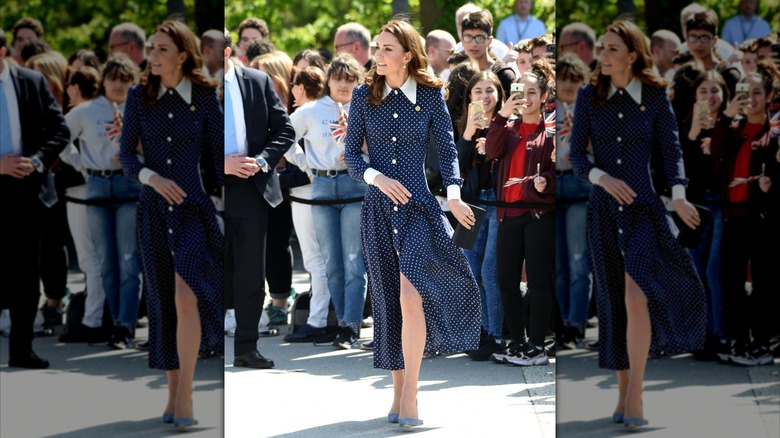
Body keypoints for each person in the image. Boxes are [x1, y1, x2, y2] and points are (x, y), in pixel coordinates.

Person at [568, 20, 706, 429]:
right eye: (602, 48)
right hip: (604, 210)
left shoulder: (656, 95)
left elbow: (672, 151)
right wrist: (602, 178)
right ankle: (623, 390)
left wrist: (679, 195)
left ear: (633, 55)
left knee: (635, 291)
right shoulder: (589, 97)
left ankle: (637, 395)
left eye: (612, 49)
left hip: (645, 208)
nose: (603, 55)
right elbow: (577, 158)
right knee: (612, 301)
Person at [343, 18, 480, 428]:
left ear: (407, 54)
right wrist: (376, 177)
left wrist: (454, 195)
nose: (378, 55)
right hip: (379, 210)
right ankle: (398, 387)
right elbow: (352, 157)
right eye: (377, 48)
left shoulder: (431, 95)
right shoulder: (363, 95)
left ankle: (413, 393)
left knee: (409, 295)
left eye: (387, 48)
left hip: (420, 208)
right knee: (387, 302)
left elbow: (449, 152)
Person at [118, 20, 224, 428]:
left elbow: (216, 159)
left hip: (194, 209)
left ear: (183, 55)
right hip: (153, 210)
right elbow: (128, 157)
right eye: (151, 48)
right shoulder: (137, 96)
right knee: (163, 301)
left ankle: (187, 396)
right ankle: (172, 391)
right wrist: (152, 178)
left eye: (162, 49)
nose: (153, 55)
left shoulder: (204, 96)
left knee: (185, 292)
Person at [284, 54, 367, 349]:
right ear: (328, 80)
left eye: (350, 78)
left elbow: (381, 148)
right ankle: (342, 322)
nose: (343, 84)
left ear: (358, 81)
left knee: (354, 261)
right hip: (320, 186)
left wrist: (361, 157)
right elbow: (283, 136)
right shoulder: (312, 111)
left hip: (354, 185)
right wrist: (306, 164)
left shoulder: (366, 107)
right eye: (338, 78)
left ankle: (349, 327)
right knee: (331, 262)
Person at [223, 27, 295, 369]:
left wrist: (263, 160)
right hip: (208, 190)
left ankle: (245, 348)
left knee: (251, 273)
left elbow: (285, 130)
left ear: (226, 52)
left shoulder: (256, 81)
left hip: (252, 189)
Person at [0, 27, 70, 369]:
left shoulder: (30, 81)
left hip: (26, 190)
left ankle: (21, 349)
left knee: (26, 275)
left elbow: (61, 129)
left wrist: (38, 160)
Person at [64, 54, 142, 349]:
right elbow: (59, 136)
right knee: (106, 262)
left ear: (132, 81)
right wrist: (81, 164)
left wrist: (136, 156)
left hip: (129, 184)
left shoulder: (141, 109)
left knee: (128, 260)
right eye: (113, 78)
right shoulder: (87, 111)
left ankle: (125, 324)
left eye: (125, 79)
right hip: (96, 185)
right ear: (104, 80)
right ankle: (114, 320)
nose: (119, 85)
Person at [484, 58, 556, 366]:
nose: (526, 98)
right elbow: (491, 150)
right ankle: (516, 341)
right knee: (506, 281)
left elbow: (559, 171)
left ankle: (537, 345)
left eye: (532, 92)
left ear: (543, 97)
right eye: (520, 92)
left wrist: (547, 181)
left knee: (539, 281)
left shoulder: (551, 130)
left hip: (538, 214)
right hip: (507, 214)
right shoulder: (508, 127)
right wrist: (501, 115)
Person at [709, 61, 779, 366]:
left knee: (763, 283)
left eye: (757, 92)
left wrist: (769, 182)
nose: (751, 98)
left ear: (768, 96)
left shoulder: (773, 131)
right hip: (733, 215)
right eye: (745, 92)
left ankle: (761, 343)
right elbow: (715, 151)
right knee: (732, 282)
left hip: (761, 217)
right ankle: (739, 341)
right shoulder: (734, 128)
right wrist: (726, 115)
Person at [455, 71, 506, 361]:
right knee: (471, 271)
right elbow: (454, 166)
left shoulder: (507, 125)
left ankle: (495, 334)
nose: (484, 97)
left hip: (499, 203)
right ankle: (480, 330)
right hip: (472, 204)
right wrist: (468, 135)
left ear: (499, 95)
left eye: (490, 91)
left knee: (490, 271)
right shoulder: (465, 126)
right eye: (478, 91)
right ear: (470, 97)